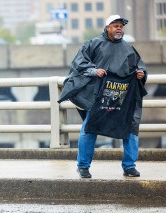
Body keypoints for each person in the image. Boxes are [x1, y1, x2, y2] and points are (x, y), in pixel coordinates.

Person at [57, 15, 148, 178]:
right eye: (115, 26)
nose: (119, 28)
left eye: (121, 26)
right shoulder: (93, 44)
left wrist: (142, 74)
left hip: (122, 97)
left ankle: (129, 166)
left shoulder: (128, 48)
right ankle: (83, 166)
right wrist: (94, 71)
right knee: (89, 128)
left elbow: (139, 66)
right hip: (98, 97)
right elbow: (78, 64)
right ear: (107, 27)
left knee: (131, 128)